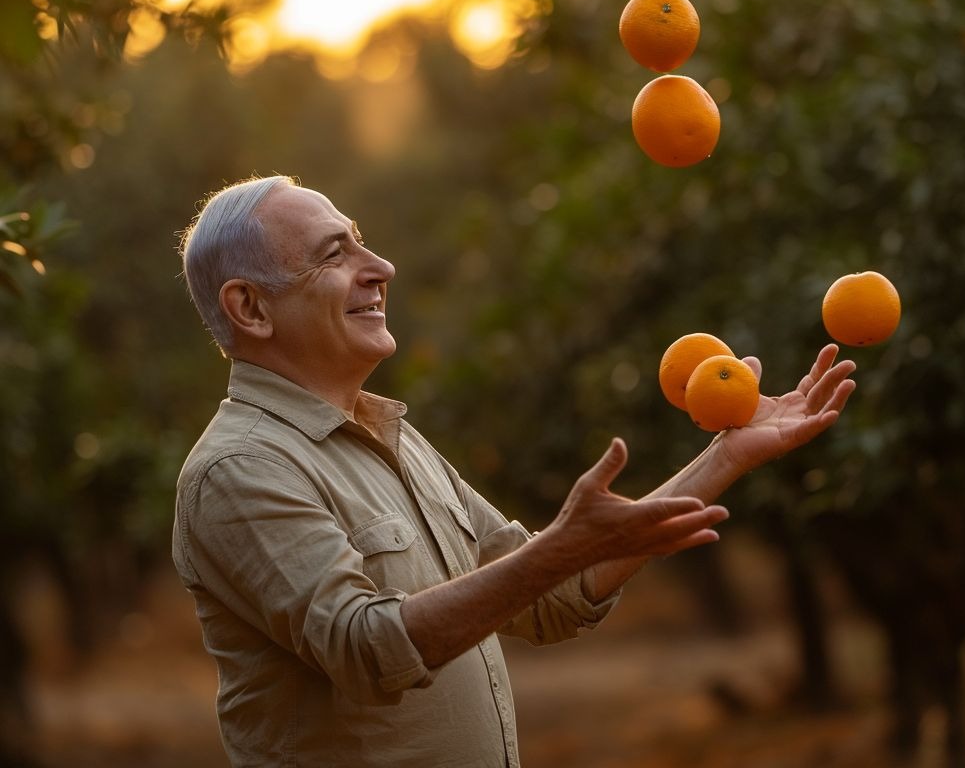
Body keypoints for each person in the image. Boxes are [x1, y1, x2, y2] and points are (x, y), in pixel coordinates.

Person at [172, 174, 856, 768]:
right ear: (250, 308)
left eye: (361, 240)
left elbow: (552, 596)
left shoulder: (394, 438)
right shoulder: (240, 470)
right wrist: (555, 551)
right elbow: (366, 648)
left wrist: (726, 454)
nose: (380, 266)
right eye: (335, 253)